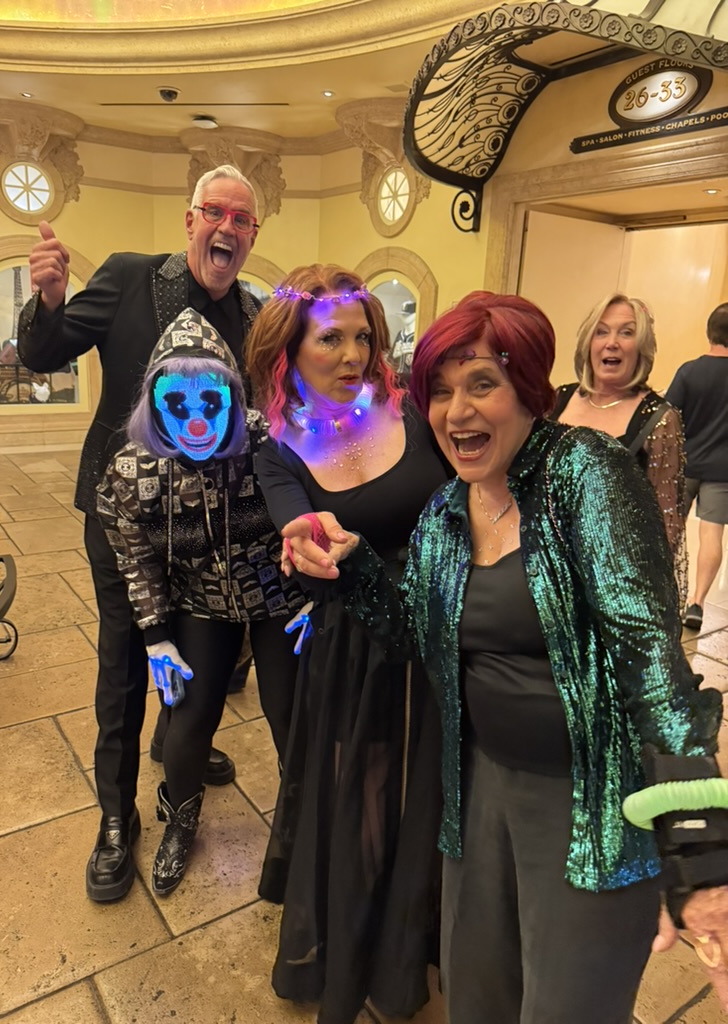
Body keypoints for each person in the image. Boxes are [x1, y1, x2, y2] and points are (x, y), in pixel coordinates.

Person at [283, 291, 728, 1024]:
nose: (457, 412)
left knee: (565, 1008)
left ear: (527, 388)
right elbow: (413, 637)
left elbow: (651, 660)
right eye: (441, 391)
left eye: (481, 384)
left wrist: (701, 856)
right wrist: (353, 565)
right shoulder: (447, 510)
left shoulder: (584, 473)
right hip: (478, 793)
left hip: (586, 804)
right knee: (477, 999)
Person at [17, 164, 264, 902]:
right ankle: (117, 818)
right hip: (123, 514)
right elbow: (42, 353)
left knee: (195, 646)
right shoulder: (129, 277)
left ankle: (175, 744)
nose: (226, 227)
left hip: (210, 526)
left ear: (252, 236)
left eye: (241, 219)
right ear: (190, 220)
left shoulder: (252, 315)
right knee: (127, 656)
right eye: (213, 211)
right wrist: (49, 300)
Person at [244, 265, 450, 1024]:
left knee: (434, 795)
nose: (354, 352)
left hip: (447, 629)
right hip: (359, 650)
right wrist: (308, 547)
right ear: (290, 349)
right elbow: (299, 529)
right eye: (332, 337)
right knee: (366, 807)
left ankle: (423, 939)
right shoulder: (279, 448)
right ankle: (367, 957)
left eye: (364, 334)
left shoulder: (415, 411)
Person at [96, 308, 303, 894]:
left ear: (234, 402)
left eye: (210, 403)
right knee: (188, 722)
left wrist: (319, 595)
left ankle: (299, 826)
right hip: (200, 604)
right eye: (176, 403)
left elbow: (316, 510)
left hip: (279, 597)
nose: (194, 420)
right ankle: (180, 819)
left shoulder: (273, 440)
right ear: (154, 402)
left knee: (293, 716)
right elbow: (134, 559)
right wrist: (157, 635)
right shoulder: (132, 473)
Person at [551, 293, 687, 606]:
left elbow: (667, 525)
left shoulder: (659, 419)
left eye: (626, 332)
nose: (612, 342)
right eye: (602, 331)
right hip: (548, 577)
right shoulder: (558, 399)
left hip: (614, 586)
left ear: (641, 347)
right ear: (588, 342)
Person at [667, 302, 728, 631]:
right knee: (711, 536)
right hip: (723, 471)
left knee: (669, 531)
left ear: (709, 332)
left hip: (684, 463)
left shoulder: (689, 371)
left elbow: (668, 417)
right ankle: (697, 603)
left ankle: (663, 594)